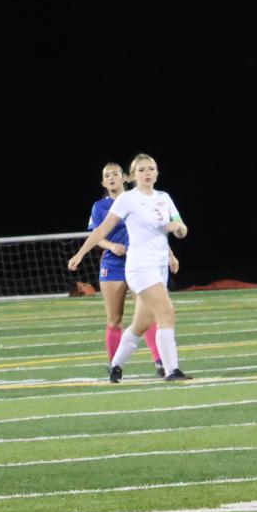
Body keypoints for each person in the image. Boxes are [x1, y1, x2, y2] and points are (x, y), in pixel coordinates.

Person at [67, 152, 192, 382]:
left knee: (141, 323)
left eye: (151, 168)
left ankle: (115, 366)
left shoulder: (164, 197)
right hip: (139, 266)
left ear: (157, 173)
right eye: (141, 170)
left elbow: (182, 229)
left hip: (158, 267)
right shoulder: (127, 199)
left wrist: (177, 227)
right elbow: (102, 229)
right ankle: (171, 369)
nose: (147, 173)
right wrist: (80, 254)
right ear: (133, 175)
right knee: (166, 311)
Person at [87, 161, 172, 378]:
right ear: (103, 182)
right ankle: (114, 364)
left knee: (149, 314)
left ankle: (160, 362)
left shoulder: (138, 198)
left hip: (140, 263)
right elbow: (98, 234)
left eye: (115, 174)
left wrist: (169, 253)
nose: (111, 178)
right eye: (107, 175)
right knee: (115, 318)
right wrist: (109, 246)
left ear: (124, 177)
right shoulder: (100, 207)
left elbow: (154, 230)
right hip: (113, 266)